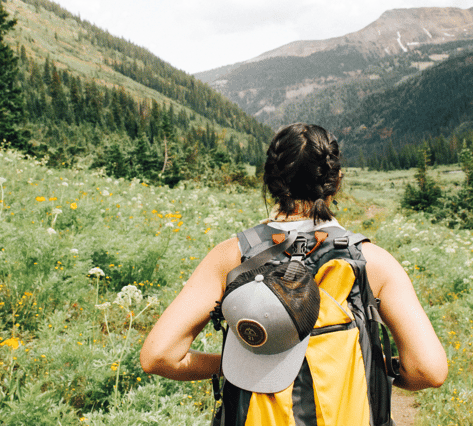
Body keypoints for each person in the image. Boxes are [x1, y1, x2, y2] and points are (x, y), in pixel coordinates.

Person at [140, 123, 448, 392]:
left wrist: (233, 366)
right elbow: (428, 370)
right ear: (336, 181)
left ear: (271, 182)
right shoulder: (372, 261)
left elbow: (159, 357)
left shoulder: (232, 255)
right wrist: (367, 366)